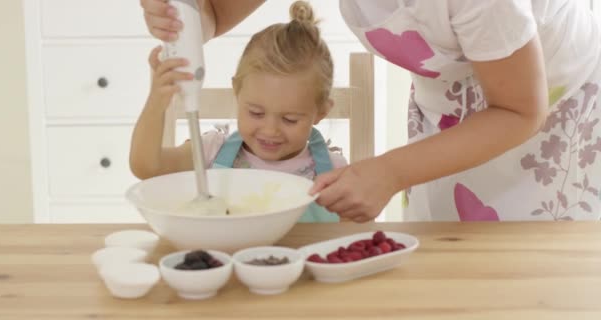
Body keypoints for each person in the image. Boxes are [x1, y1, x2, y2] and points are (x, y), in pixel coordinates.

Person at [140, 0, 601, 222]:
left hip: (550, 110)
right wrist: (185, 19)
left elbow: (519, 109)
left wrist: (390, 171)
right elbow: (214, 13)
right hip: (450, 109)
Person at [130, 1, 347, 222]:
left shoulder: (335, 173)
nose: (270, 130)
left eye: (289, 119)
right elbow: (146, 168)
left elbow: (354, 238)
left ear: (321, 112)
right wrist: (156, 102)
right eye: (256, 113)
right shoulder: (211, 151)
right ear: (237, 92)